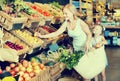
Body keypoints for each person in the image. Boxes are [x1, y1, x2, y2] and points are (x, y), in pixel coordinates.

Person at [34, 4, 92, 81]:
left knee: (85, 72)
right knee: (80, 70)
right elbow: (56, 33)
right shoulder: (66, 23)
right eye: (63, 13)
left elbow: (89, 33)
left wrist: (88, 42)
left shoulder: (80, 23)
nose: (64, 15)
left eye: (66, 13)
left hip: (85, 47)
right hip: (76, 47)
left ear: (72, 12)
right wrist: (41, 36)